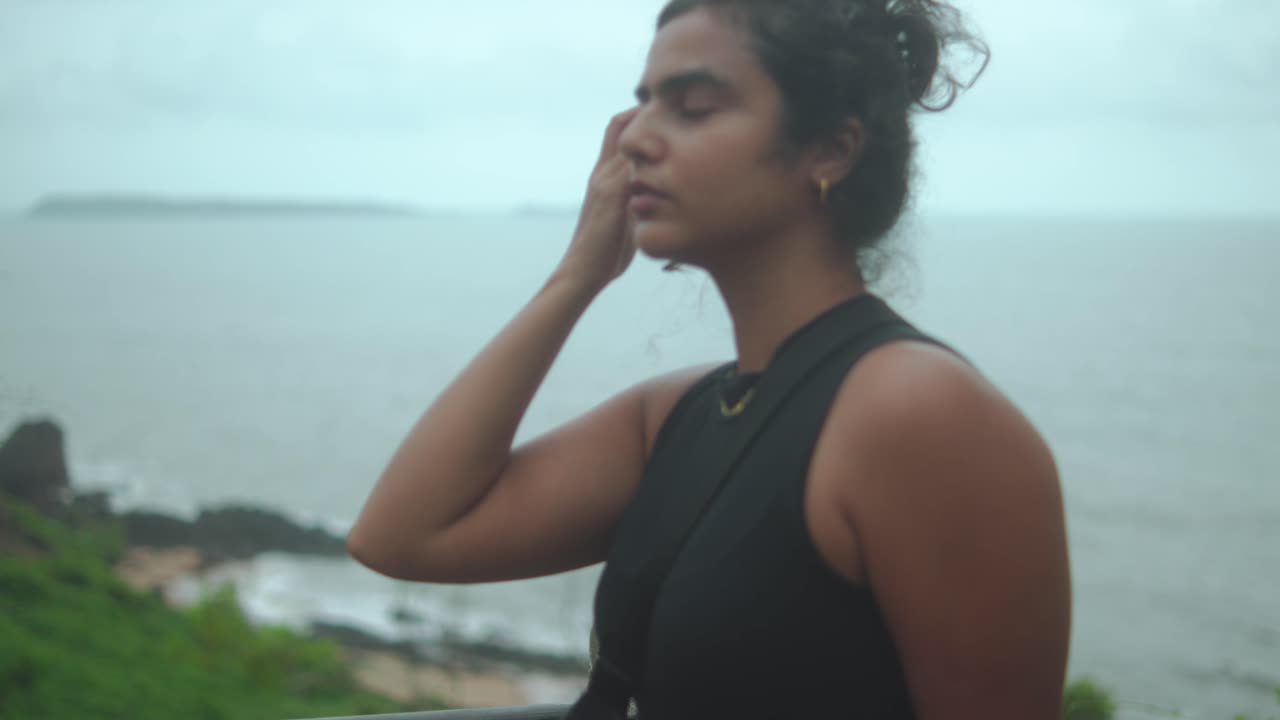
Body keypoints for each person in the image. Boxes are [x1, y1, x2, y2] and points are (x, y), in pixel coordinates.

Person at [348, 0, 1072, 718]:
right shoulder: (679, 416)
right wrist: (578, 276)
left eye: (692, 107)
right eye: (642, 106)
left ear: (832, 151)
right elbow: (404, 536)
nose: (636, 141)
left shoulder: (917, 415)